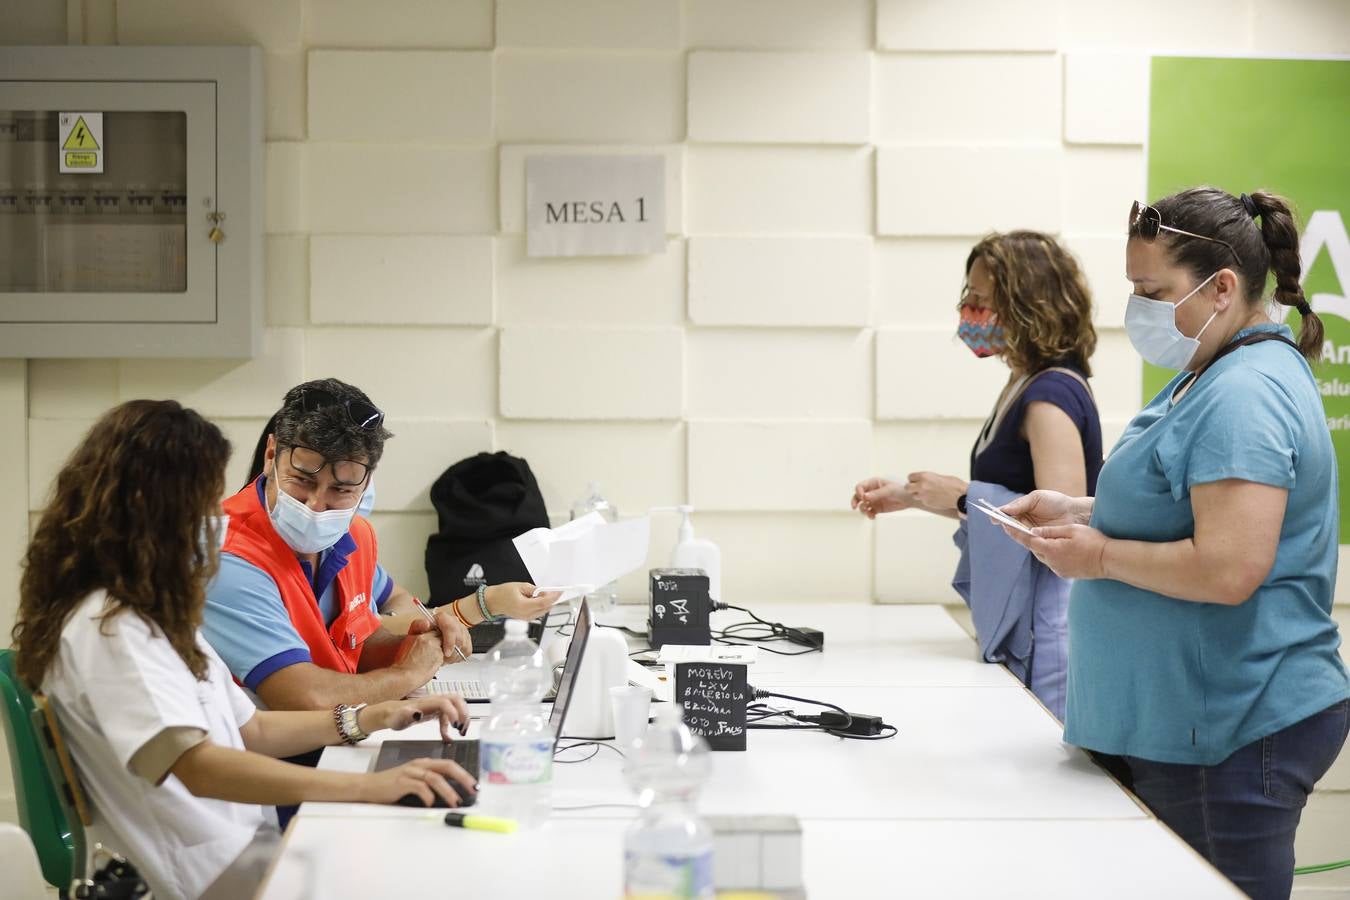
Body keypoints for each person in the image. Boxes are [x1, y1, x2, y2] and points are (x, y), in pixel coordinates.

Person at [1000, 188, 1350, 900]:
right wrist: (1079, 508)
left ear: (1222, 288)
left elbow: (1228, 567)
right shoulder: (1208, 374)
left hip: (1230, 725)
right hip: (1190, 723)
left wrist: (1094, 556)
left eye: (1152, 291)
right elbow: (1184, 505)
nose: (1139, 309)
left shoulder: (1243, 393)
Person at [10, 400, 478, 900]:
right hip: (202, 878)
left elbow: (247, 728)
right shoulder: (112, 629)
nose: (218, 517)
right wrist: (371, 786)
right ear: (154, 511)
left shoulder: (155, 614)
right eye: (206, 502)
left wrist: (371, 717)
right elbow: (200, 766)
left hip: (242, 851)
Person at [851, 231, 1102, 718]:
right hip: (1033, 621)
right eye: (968, 296)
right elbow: (1013, 501)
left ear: (1026, 304)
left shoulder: (1050, 397)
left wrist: (964, 498)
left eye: (980, 299)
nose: (968, 310)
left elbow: (1062, 526)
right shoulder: (1025, 382)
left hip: (1048, 629)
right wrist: (912, 495)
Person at [202, 378, 559, 712]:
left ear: (367, 483)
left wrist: (417, 642)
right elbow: (303, 696)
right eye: (302, 480)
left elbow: (357, 644)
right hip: (271, 759)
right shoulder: (226, 555)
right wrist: (406, 675)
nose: (316, 505)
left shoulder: (352, 536)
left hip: (337, 732)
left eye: (341, 490)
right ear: (270, 455)